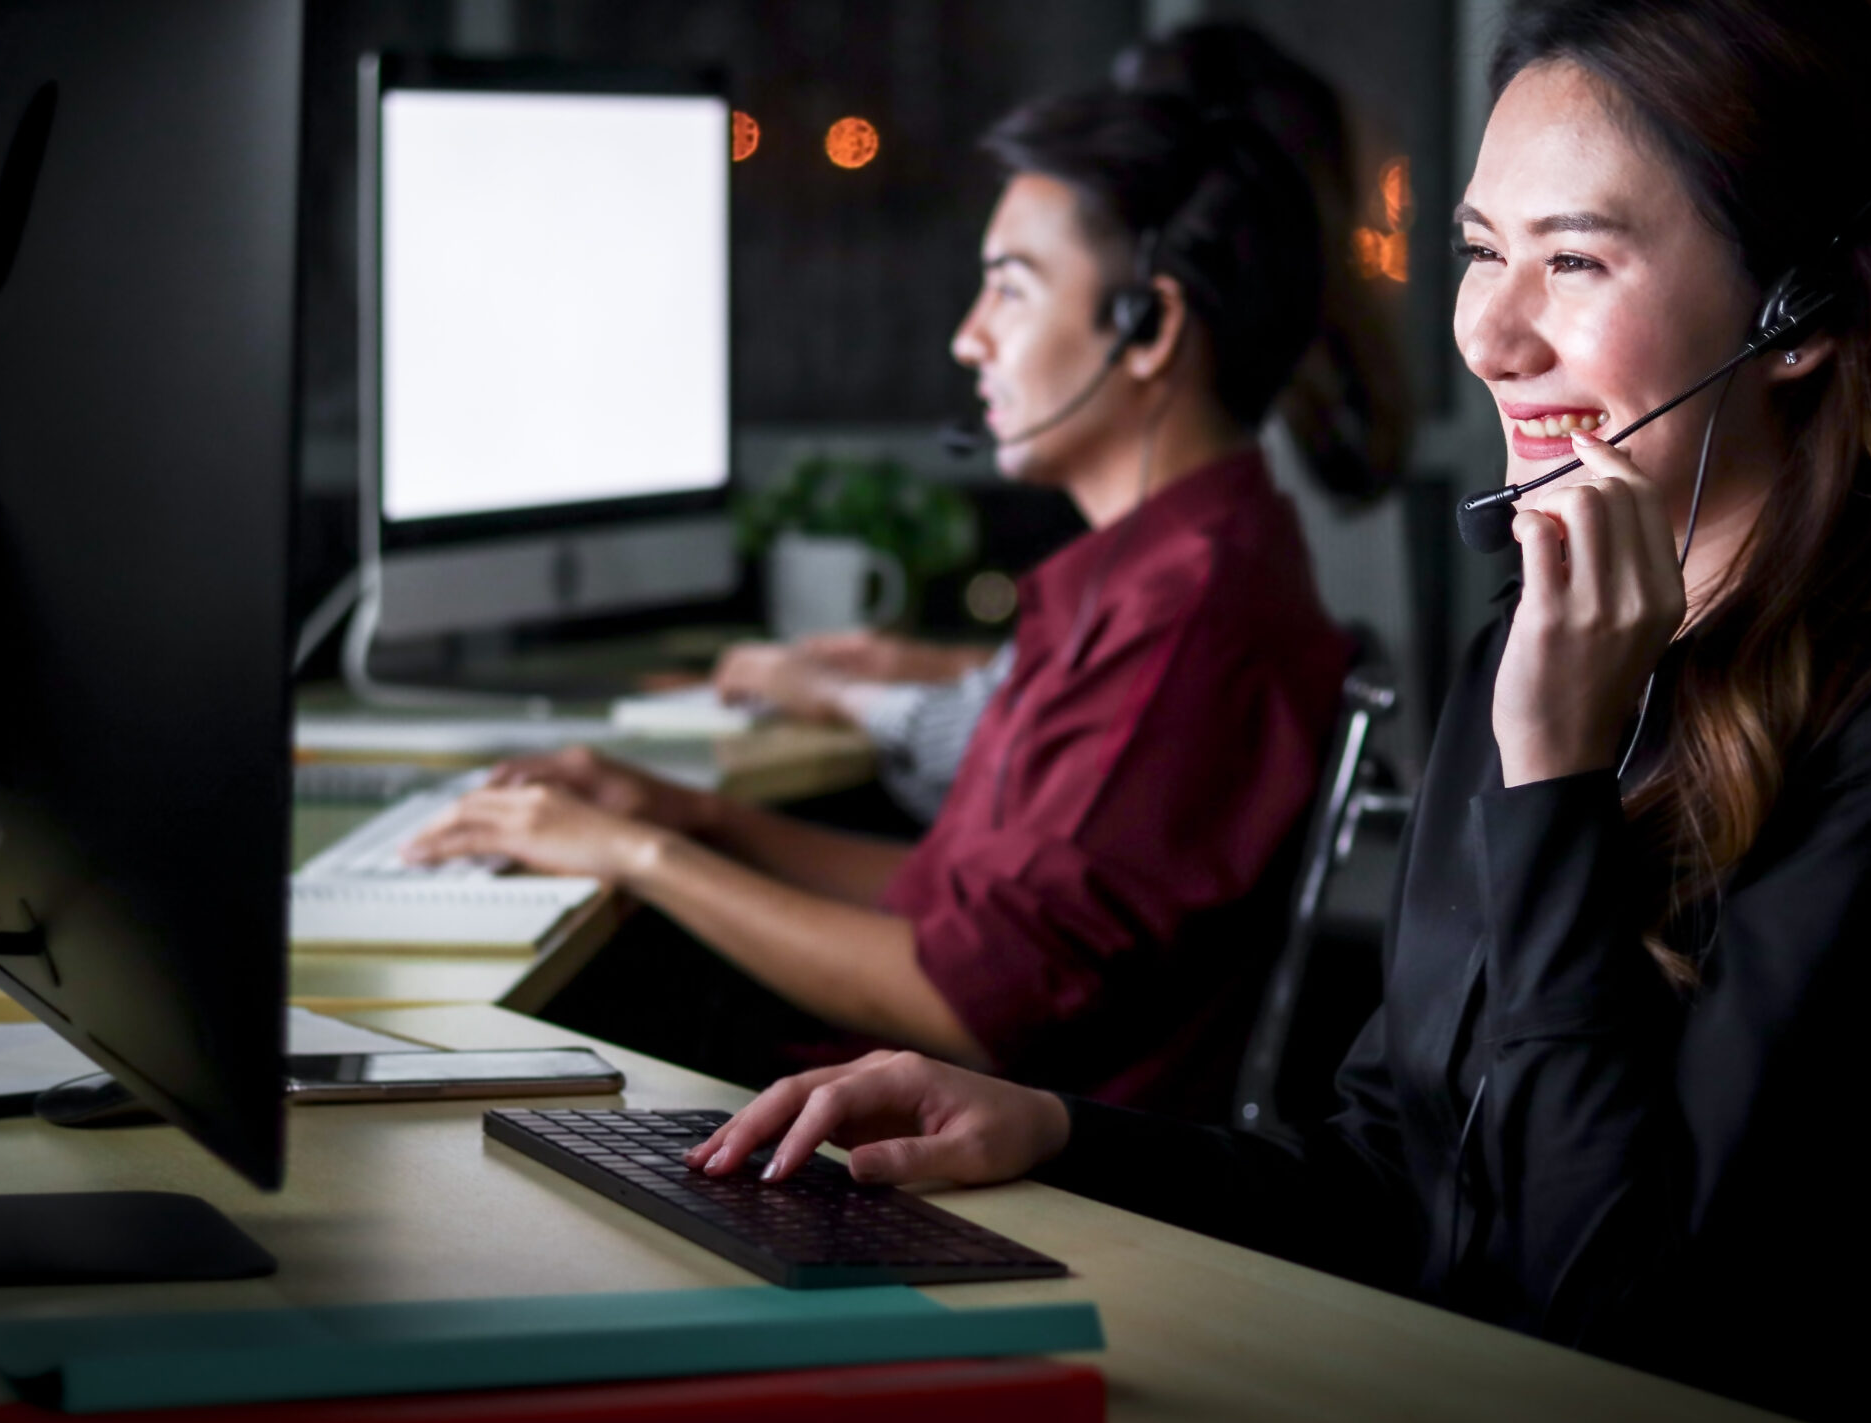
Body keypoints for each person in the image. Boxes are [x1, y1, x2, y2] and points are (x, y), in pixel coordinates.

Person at [687, 0, 1871, 1423]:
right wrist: (1058, 1133)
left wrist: (1552, 781)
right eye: (1483, 251)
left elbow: (1620, 1331)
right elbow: (1389, 1179)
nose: (1489, 332)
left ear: (1796, 314)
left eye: (1578, 259)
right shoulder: (1528, 655)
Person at [409, 87, 1361, 1118]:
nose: (969, 339)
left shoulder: (1187, 618)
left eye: (1011, 289)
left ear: (1146, 326)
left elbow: (972, 1000)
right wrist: (692, 816)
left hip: (958, 1159)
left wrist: (642, 857)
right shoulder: (1155, 572)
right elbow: (949, 902)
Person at [711, 21, 1410, 822]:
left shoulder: (1230, 482)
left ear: (1149, 316)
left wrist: (845, 699)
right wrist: (914, 664)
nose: (969, 340)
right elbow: (1109, 700)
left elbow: (1134, 719)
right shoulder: (1305, 413)